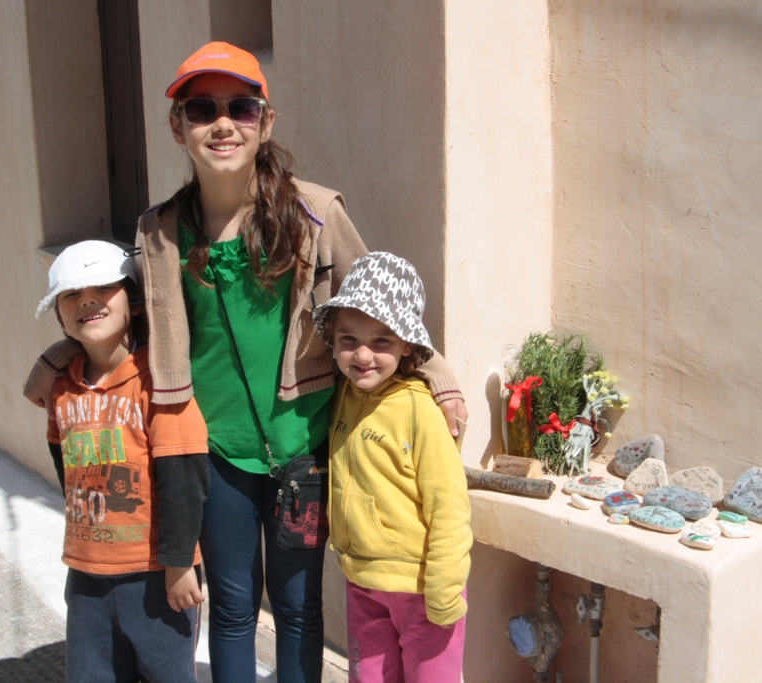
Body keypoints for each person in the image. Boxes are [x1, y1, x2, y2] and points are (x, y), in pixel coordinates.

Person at [24, 42, 467, 683]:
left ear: (266, 120)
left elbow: (378, 304)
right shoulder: (159, 232)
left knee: (297, 605)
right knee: (232, 604)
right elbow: (129, 321)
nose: (223, 123)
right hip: (214, 450)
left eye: (241, 107)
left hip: (302, 448)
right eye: (202, 109)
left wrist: (439, 375)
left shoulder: (317, 213)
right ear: (178, 127)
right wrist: (62, 352)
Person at [36, 240, 210, 682]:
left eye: (102, 289)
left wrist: (179, 564)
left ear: (132, 303)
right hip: (87, 574)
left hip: (155, 576)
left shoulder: (159, 383)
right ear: (59, 314)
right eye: (71, 295)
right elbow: (68, 472)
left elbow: (183, 477)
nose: (88, 300)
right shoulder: (62, 389)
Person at [312, 252, 472, 683]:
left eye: (382, 342)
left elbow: (449, 507)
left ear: (407, 346)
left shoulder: (420, 411)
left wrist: (444, 589)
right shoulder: (343, 396)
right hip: (362, 582)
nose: (363, 355)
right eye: (348, 340)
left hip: (423, 592)